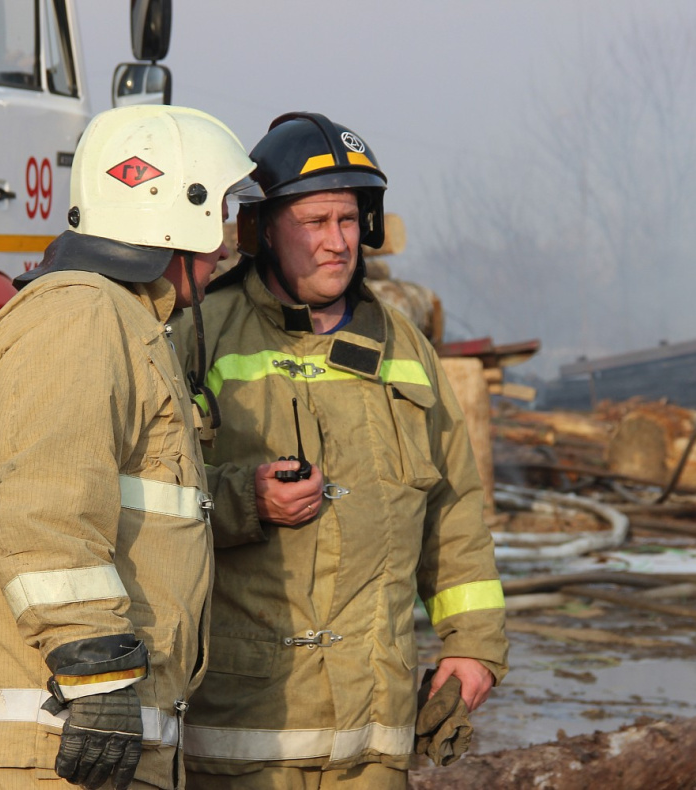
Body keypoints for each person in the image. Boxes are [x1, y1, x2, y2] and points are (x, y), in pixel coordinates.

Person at [173, 112, 509, 789]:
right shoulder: (200, 333)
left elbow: (453, 510)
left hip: (372, 733)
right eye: (314, 223)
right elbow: (144, 495)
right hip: (241, 729)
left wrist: (473, 647)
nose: (337, 243)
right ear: (262, 229)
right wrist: (244, 500)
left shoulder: (403, 348)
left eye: (349, 221)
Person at [0, 105, 258, 790]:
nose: (227, 244)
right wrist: (97, 672)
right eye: (221, 214)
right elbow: (36, 508)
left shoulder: (120, 320)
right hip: (59, 739)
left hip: (80, 736)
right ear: (181, 212)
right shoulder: (84, 315)